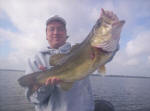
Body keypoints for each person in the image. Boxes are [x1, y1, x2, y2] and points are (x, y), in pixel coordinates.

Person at [25, 9, 121, 111]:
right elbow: (33, 100)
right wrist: (46, 86)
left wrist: (114, 37)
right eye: (51, 29)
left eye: (60, 29)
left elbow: (105, 55)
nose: (56, 32)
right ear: (46, 34)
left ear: (66, 33)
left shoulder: (79, 50)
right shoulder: (35, 60)